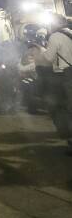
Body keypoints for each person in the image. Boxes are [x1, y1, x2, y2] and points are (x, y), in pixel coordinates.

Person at [39, 13, 72, 153]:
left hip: (63, 75)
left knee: (63, 108)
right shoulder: (70, 33)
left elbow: (48, 57)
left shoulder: (54, 36)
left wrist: (41, 50)